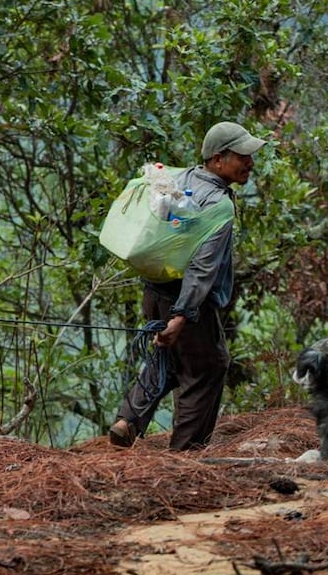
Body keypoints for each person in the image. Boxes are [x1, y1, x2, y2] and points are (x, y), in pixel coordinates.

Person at [109, 121, 266, 450]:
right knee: (208, 368)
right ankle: (186, 454)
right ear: (218, 159)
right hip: (185, 301)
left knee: (167, 358)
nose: (250, 162)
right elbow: (202, 266)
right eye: (243, 156)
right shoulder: (218, 205)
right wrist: (182, 315)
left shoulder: (179, 179)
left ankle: (128, 420)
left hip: (154, 292)